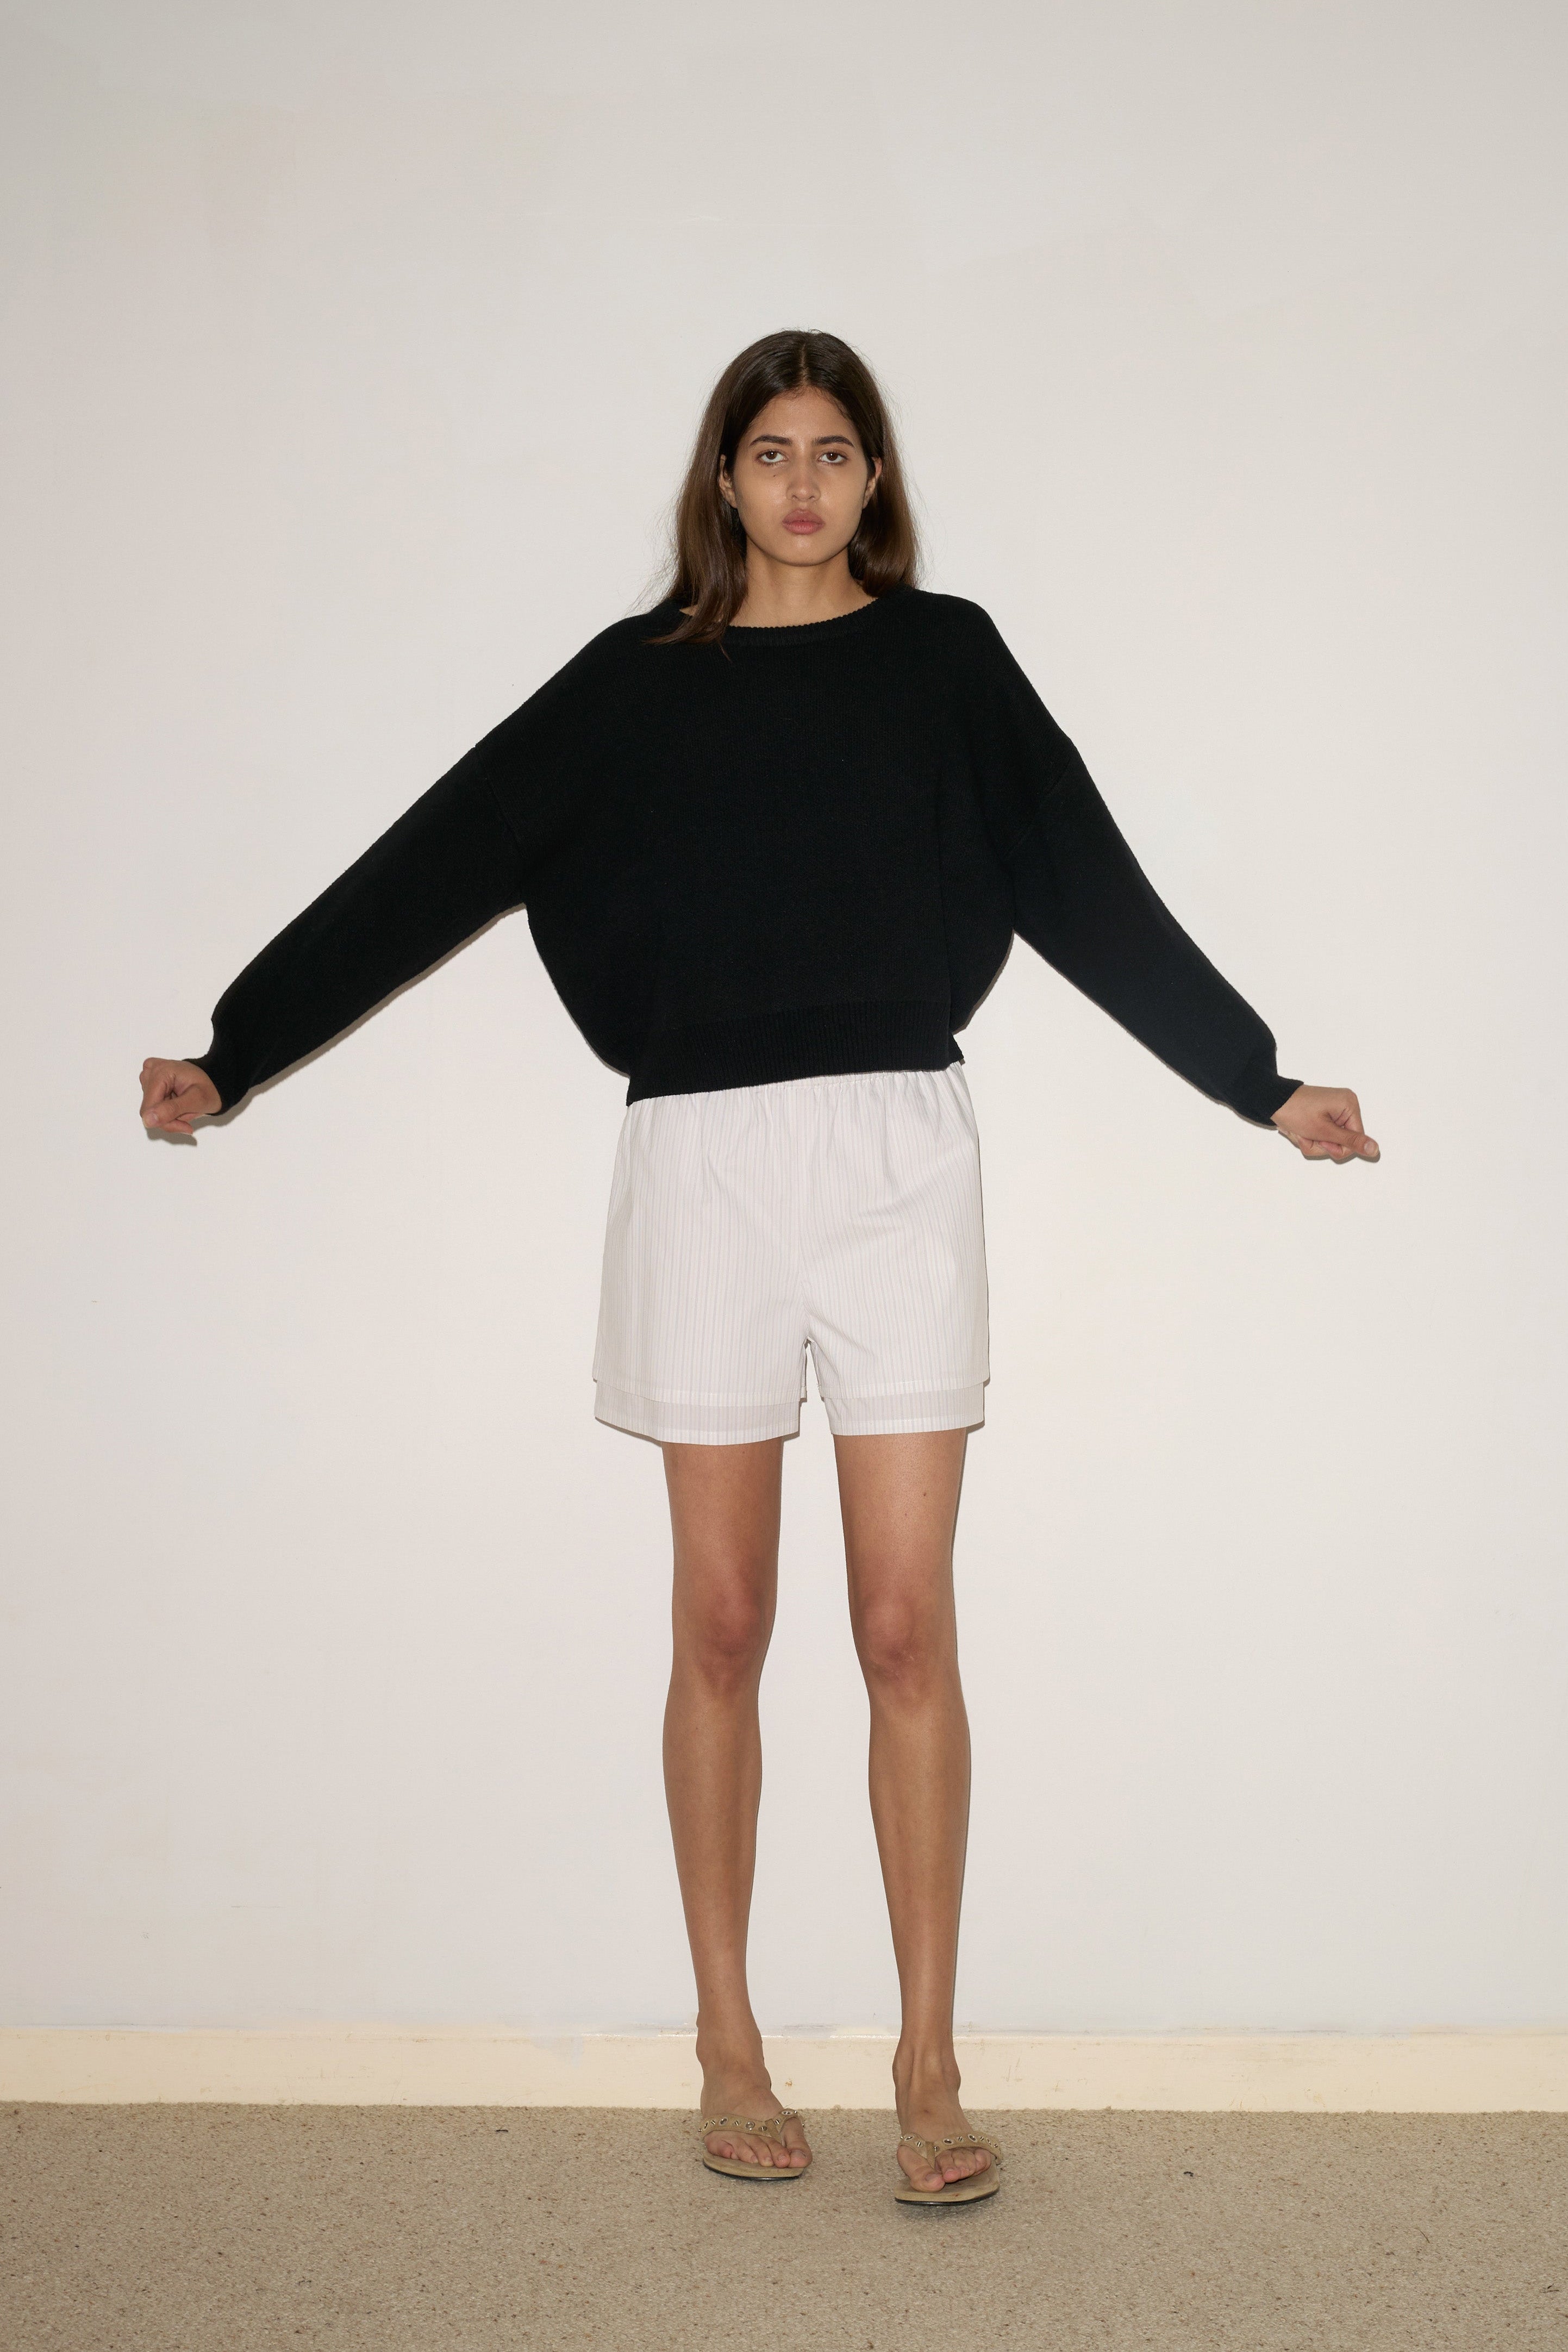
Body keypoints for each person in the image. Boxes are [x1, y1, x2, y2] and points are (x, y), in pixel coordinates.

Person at [139, 328, 1378, 2206]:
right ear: (724, 478)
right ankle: (728, 2041)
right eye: (772, 450)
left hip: (897, 1155)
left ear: (875, 477)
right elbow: (437, 858)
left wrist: (1256, 1081)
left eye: (835, 450)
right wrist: (240, 1052)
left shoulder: (946, 661)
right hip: (702, 1163)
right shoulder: (632, 684)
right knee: (720, 1623)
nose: (803, 483)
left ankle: (929, 2066)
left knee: (903, 1624)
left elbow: (1082, 877)